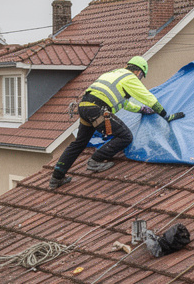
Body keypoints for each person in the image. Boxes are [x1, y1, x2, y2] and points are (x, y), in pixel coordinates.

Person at [49, 56, 173, 188]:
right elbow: (148, 98)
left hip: (85, 106)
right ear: (138, 72)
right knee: (126, 136)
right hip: (98, 110)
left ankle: (56, 178)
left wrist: (141, 109)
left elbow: (124, 103)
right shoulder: (130, 77)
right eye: (141, 76)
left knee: (79, 143)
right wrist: (165, 115)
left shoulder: (114, 74)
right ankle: (96, 160)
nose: (140, 79)